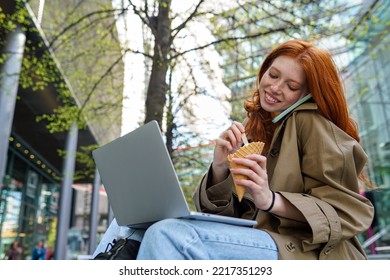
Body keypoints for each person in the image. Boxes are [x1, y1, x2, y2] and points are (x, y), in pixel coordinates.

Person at [93, 39, 374, 260]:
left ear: (308, 94)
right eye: (273, 75)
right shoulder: (258, 128)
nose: (274, 87)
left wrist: (271, 199)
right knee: (127, 224)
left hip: (304, 254)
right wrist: (219, 168)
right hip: (262, 241)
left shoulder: (312, 124)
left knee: (171, 234)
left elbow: (350, 212)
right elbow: (232, 219)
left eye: (291, 86)